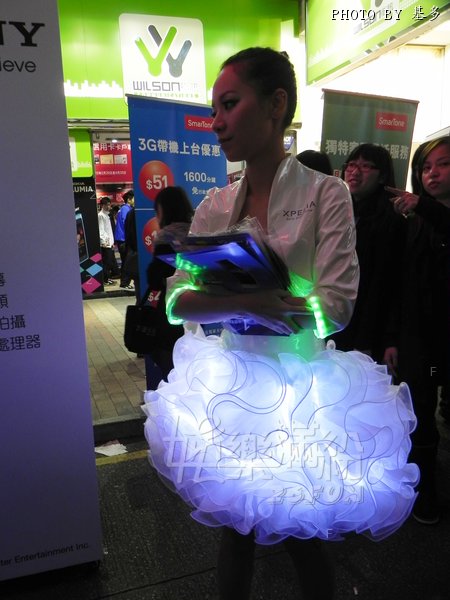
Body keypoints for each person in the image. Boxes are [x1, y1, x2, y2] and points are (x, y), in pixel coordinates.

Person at [142, 48, 418, 600]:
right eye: (213, 109)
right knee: (234, 529)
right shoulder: (215, 205)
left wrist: (244, 301)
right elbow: (175, 303)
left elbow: (336, 306)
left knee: (300, 533)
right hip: (228, 384)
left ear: (275, 105)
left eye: (229, 104)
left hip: (301, 392)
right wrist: (257, 303)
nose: (216, 122)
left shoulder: (325, 193)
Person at [388, 136, 450, 525]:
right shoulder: (414, 221)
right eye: (426, 167)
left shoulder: (424, 212)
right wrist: (393, 338)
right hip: (420, 335)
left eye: (443, 164)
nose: (432, 173)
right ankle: (424, 491)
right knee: (420, 415)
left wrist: (423, 206)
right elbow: (401, 284)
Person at [330, 143, 406, 370]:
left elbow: (388, 284)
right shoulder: (338, 212)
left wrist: (374, 339)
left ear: (382, 176)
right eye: (351, 165)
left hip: (371, 326)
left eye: (365, 166)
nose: (355, 172)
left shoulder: (392, 219)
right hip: (338, 318)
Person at [144, 186, 194, 381]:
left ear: (164, 209)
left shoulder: (166, 236)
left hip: (170, 305)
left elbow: (157, 276)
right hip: (196, 303)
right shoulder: (197, 231)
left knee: (167, 356)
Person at [115, 190, 135, 290]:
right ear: (129, 199)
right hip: (123, 239)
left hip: (123, 239)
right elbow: (126, 223)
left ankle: (125, 282)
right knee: (126, 261)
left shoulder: (125, 209)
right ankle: (124, 283)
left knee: (126, 261)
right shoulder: (125, 209)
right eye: (134, 198)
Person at [97, 196, 116, 286]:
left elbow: (109, 230)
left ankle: (107, 278)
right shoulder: (100, 215)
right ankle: (105, 279)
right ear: (102, 205)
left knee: (109, 262)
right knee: (106, 262)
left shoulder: (107, 215)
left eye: (109, 205)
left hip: (109, 243)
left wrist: (112, 242)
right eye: (107, 205)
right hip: (105, 244)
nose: (109, 206)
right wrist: (106, 241)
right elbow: (101, 230)